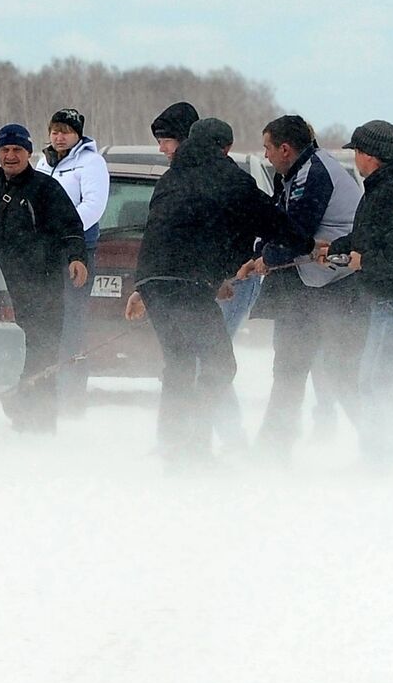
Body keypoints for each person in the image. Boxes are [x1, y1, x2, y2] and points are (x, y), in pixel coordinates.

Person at [124, 117, 289, 461]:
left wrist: (144, 287)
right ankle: (194, 446)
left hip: (154, 282)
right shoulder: (229, 178)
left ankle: (173, 445)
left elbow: (166, 234)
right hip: (187, 286)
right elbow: (271, 222)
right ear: (225, 148)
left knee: (180, 364)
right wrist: (306, 243)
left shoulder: (170, 178)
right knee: (219, 365)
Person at [239, 114, 366, 463]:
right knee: (291, 369)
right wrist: (260, 254)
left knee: (338, 373)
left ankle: (385, 440)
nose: (265, 156)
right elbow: (278, 224)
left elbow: (296, 233)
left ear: (285, 148)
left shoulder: (314, 174)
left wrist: (267, 258)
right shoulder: (296, 173)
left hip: (335, 287)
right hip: (311, 287)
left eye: (267, 148)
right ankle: (273, 449)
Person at [318, 120, 393, 465]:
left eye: (357, 151)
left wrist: (365, 262)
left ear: (370, 155)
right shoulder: (380, 189)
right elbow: (366, 238)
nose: (355, 157)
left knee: (378, 381)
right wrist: (333, 249)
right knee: (377, 380)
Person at [0, 123, 89, 433]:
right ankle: (17, 420)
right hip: (0, 291)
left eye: (17, 150)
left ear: (29, 153)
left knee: (41, 357)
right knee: (7, 358)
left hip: (42, 291)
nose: (11, 155)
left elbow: (71, 227)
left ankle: (41, 426)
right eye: (5, 149)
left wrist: (76, 257)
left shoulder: (46, 188)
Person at [34, 108, 109, 417]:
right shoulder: (44, 162)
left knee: (72, 323)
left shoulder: (91, 163)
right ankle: (45, 391)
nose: (59, 137)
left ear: (78, 134)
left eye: (65, 131)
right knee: (47, 321)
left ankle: (72, 394)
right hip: (45, 253)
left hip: (77, 251)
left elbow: (93, 205)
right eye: (55, 131)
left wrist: (62, 230)